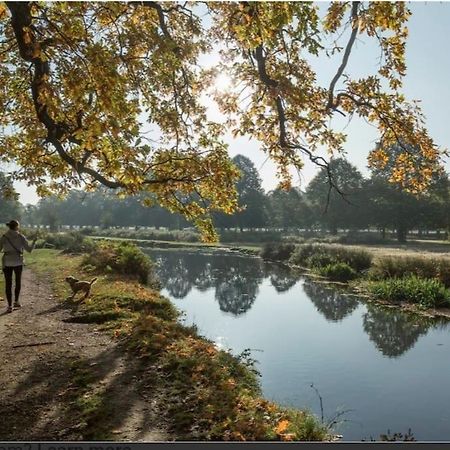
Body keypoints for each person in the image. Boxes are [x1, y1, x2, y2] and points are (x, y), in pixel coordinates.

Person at [0, 220, 36, 313]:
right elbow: (29, 250)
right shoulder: (21, 237)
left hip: (7, 262)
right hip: (18, 262)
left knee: (8, 284)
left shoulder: (4, 237)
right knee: (18, 281)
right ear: (17, 227)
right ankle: (16, 301)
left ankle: (9, 306)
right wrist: (34, 242)